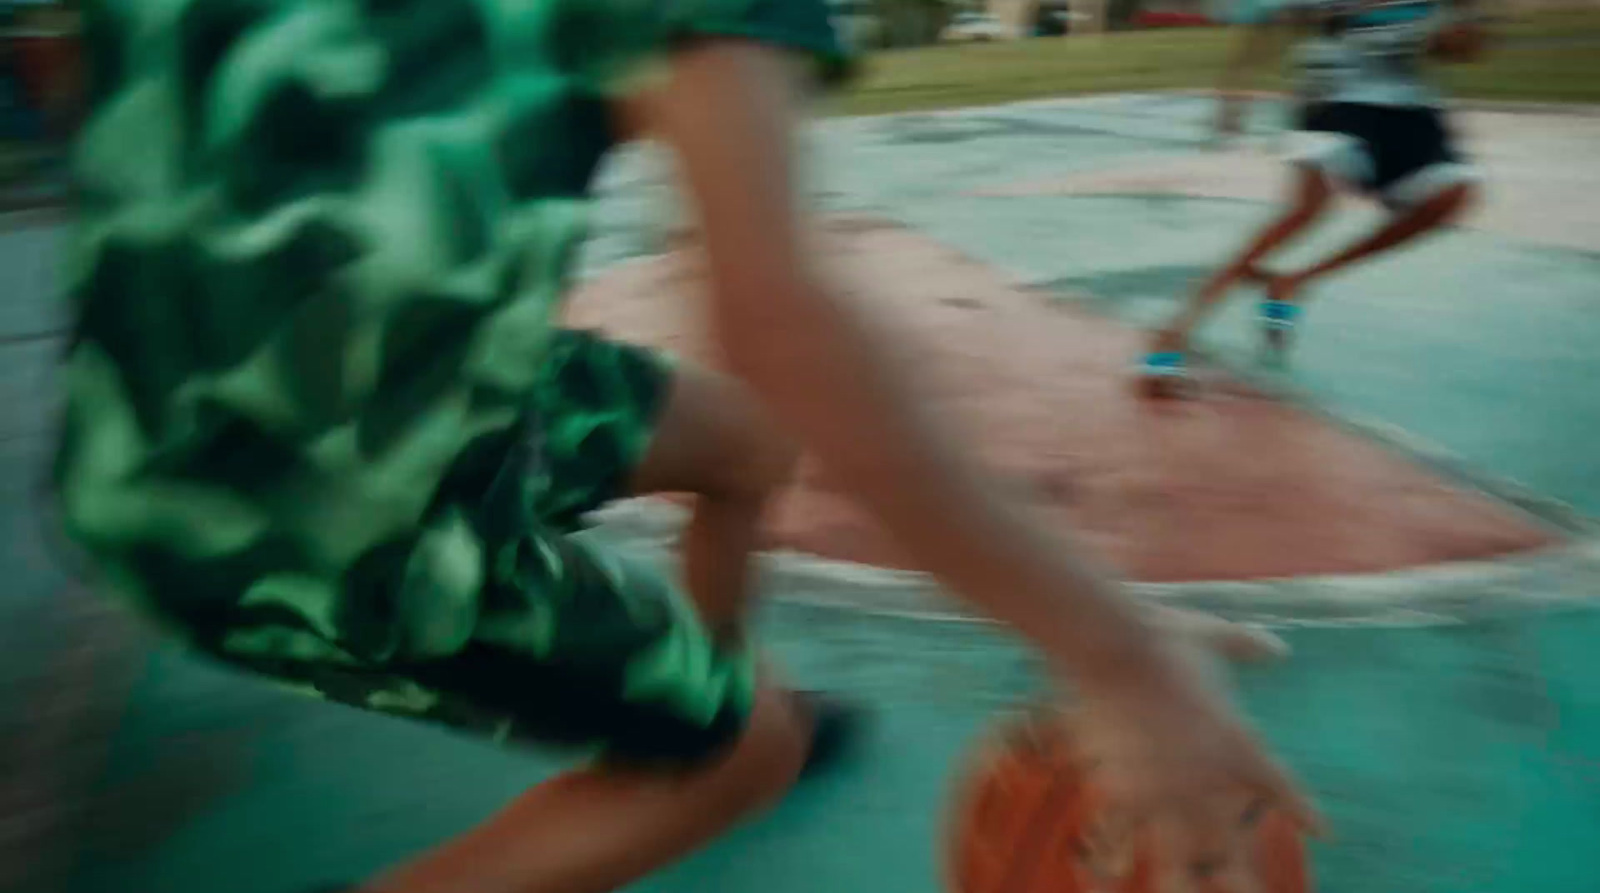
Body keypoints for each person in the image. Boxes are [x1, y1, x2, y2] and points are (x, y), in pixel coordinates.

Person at [53, 1, 1319, 891]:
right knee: (745, 753)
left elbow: (72, 74)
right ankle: (717, 741)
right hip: (301, 521)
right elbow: (778, 313)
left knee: (747, 446)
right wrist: (1119, 649)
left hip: (228, 420)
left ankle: (701, 691)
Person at [1141, 0, 1487, 391]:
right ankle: (1175, 329)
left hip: (1410, 108)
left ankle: (1297, 281)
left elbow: (1459, 51)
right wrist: (1233, 91)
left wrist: (1464, 27)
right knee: (1304, 212)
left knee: (1453, 195)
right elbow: (1268, 25)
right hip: (1334, 99)